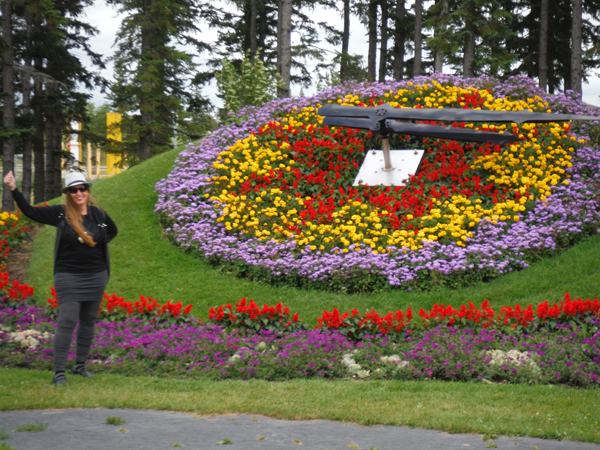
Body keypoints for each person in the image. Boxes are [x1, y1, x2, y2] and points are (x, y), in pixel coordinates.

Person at [3, 170, 118, 386]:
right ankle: (59, 373)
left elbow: (112, 232)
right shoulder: (60, 213)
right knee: (67, 321)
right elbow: (30, 212)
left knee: (88, 322)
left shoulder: (98, 214)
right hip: (69, 276)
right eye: (73, 190)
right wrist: (13, 189)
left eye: (82, 188)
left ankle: (80, 366)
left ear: (87, 189)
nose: (78, 193)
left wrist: (94, 246)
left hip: (96, 275)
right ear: (68, 193)